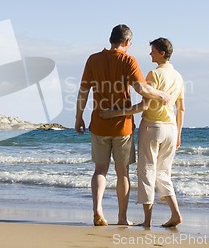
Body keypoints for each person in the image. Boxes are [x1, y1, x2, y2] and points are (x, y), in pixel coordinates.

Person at [75, 25, 171, 226]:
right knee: (122, 172)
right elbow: (141, 88)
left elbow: (83, 90)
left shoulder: (93, 59)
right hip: (122, 127)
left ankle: (98, 209)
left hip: (99, 122)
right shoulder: (128, 60)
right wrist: (162, 95)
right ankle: (121, 217)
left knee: (100, 170)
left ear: (111, 39)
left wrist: (79, 116)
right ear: (127, 42)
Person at [100, 37, 185, 228]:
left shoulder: (153, 75)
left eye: (153, 51)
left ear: (162, 53)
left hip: (152, 127)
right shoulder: (178, 76)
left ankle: (147, 221)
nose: (150, 54)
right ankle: (175, 213)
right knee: (163, 173)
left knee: (146, 172)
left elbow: (143, 105)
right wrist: (179, 133)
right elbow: (181, 109)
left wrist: (114, 112)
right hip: (171, 129)